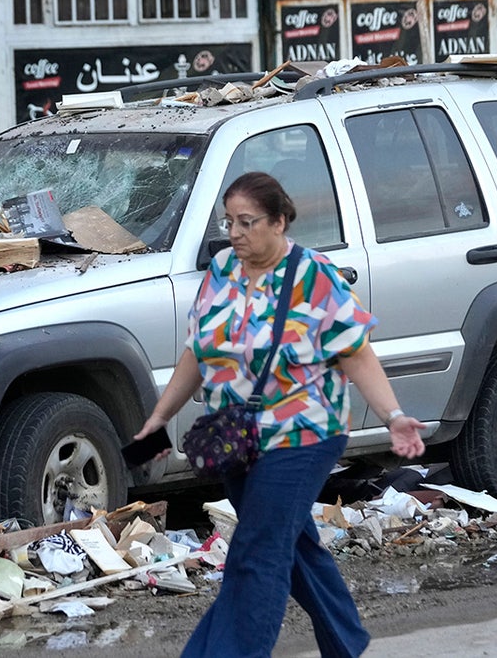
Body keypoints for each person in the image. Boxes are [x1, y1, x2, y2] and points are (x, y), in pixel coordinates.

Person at [132, 171, 425, 656]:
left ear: (280, 221)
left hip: (304, 434)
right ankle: (345, 642)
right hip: (238, 438)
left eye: (247, 222)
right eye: (229, 222)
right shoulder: (223, 269)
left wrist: (393, 415)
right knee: (291, 545)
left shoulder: (315, 277)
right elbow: (198, 353)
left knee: (256, 552)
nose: (236, 233)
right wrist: (158, 418)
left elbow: (356, 353)